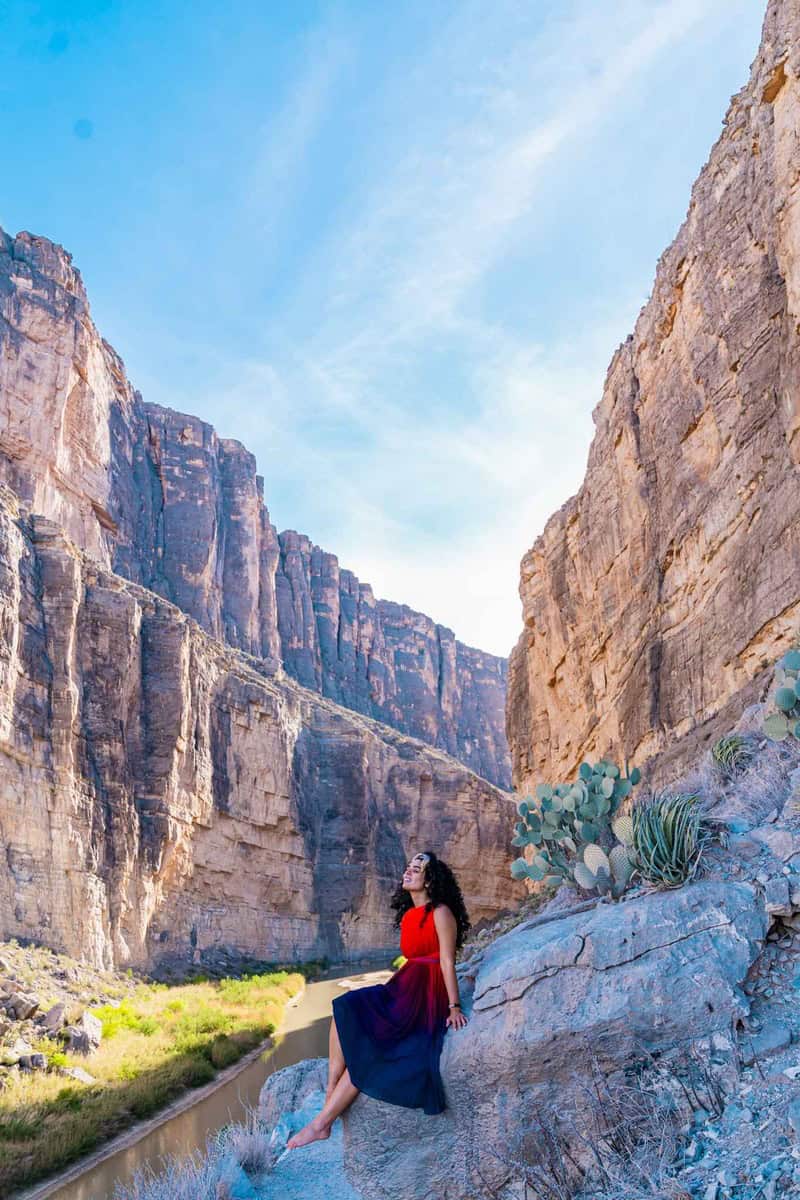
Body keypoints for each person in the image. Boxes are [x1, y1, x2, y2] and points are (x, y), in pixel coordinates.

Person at [286, 850, 471, 1149]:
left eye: (417, 869)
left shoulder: (441, 913)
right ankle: (332, 1088)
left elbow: (447, 961)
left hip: (426, 993)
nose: (408, 872)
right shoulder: (410, 916)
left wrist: (454, 1006)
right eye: (408, 867)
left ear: (430, 879)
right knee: (344, 1007)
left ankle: (321, 1124)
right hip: (404, 985)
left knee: (374, 1053)